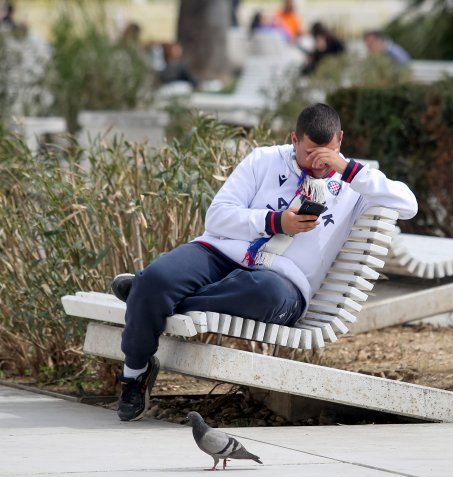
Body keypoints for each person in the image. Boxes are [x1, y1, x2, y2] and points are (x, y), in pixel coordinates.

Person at [111, 103, 418, 421]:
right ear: (294, 140)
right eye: (310, 152)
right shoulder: (264, 160)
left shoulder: (355, 184)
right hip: (222, 253)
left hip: (279, 283)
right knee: (158, 278)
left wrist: (347, 168)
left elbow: (408, 205)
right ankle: (135, 374)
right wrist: (274, 222)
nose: (318, 163)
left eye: (326, 152)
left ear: (340, 140)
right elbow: (217, 217)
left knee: (257, 289)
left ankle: (148, 296)